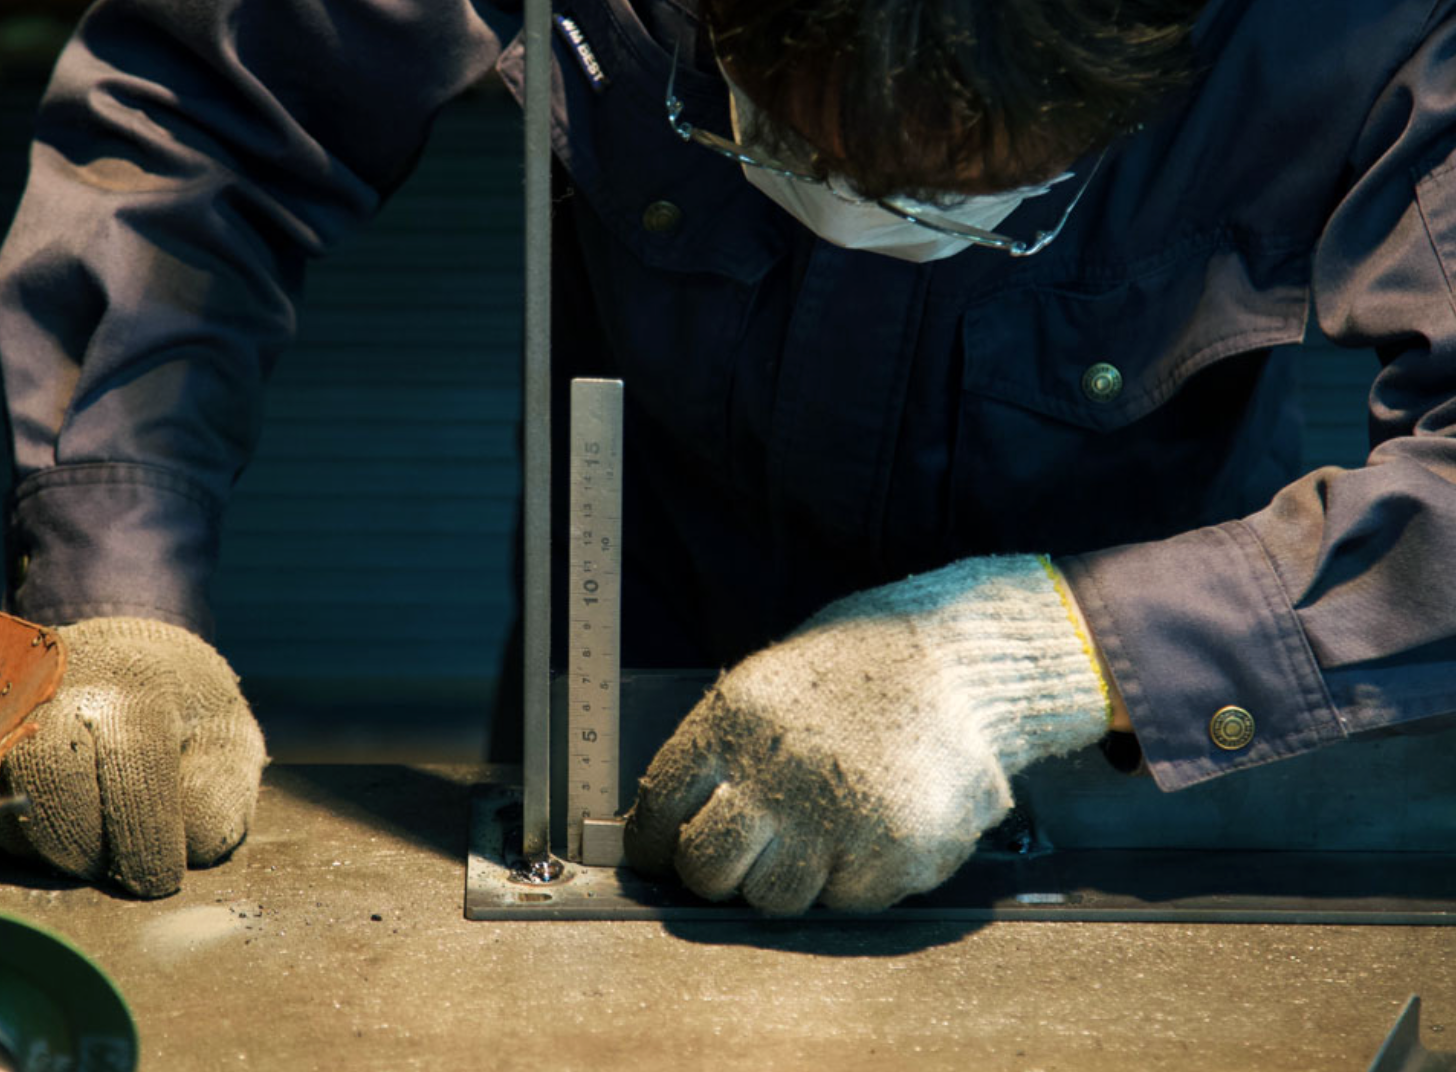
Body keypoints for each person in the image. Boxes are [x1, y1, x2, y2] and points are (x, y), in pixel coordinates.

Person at [0, 0, 1452, 910]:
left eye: (974, 199)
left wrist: (1036, 661)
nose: (858, 216)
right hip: (622, 668)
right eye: (776, 142)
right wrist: (111, 590)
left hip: (1137, 740)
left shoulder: (1353, 21)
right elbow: (201, 124)